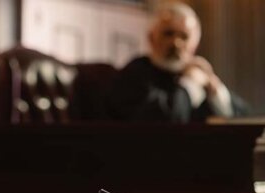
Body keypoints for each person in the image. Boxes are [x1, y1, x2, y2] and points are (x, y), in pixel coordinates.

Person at [106, 2, 249, 123]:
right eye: (168, 34)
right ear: (151, 38)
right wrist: (190, 84)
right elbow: (163, 120)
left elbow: (244, 117)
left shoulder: (199, 74)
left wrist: (214, 89)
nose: (176, 43)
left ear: (195, 44)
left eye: (184, 36)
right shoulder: (136, 72)